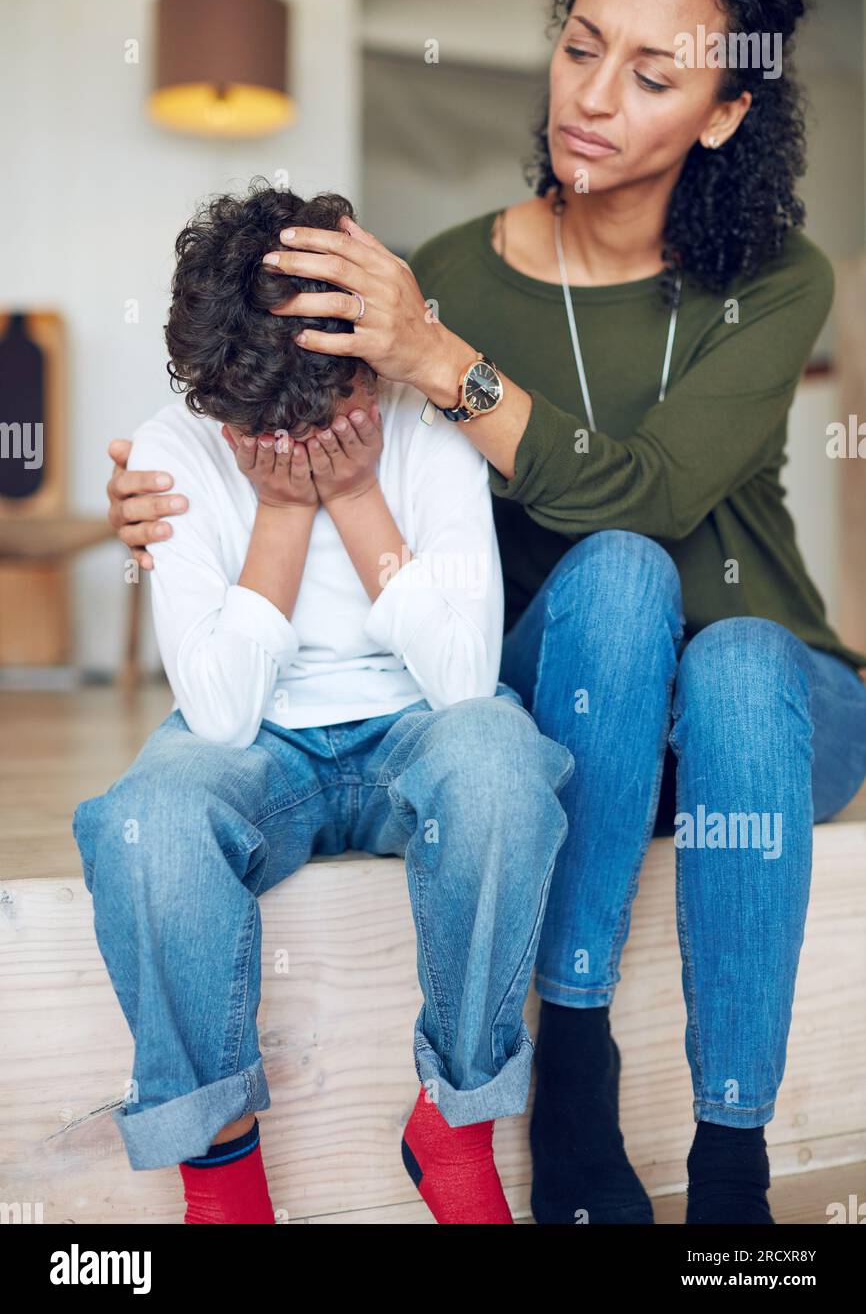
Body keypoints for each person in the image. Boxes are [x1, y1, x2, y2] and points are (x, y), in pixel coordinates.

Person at [105, 0, 866, 1226]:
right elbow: (296, 423)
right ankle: (569, 1055)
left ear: (726, 108)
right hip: (575, 695)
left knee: (726, 645)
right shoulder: (445, 271)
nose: (589, 96)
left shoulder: (774, 282)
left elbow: (649, 489)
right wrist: (183, 493)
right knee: (614, 584)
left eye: (649, 73)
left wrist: (442, 361)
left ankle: (727, 1175)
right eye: (579, 48)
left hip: (759, 715)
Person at [73, 182, 574, 1226]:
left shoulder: (425, 421)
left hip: (412, 726)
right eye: (263, 430)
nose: (297, 442)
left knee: (501, 762)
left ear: (363, 359)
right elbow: (216, 711)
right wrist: (281, 514)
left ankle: (458, 1120)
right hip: (261, 747)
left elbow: (460, 680)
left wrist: (355, 500)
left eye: (328, 413)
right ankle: (220, 1174)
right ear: (213, 398)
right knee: (144, 819)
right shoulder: (175, 449)